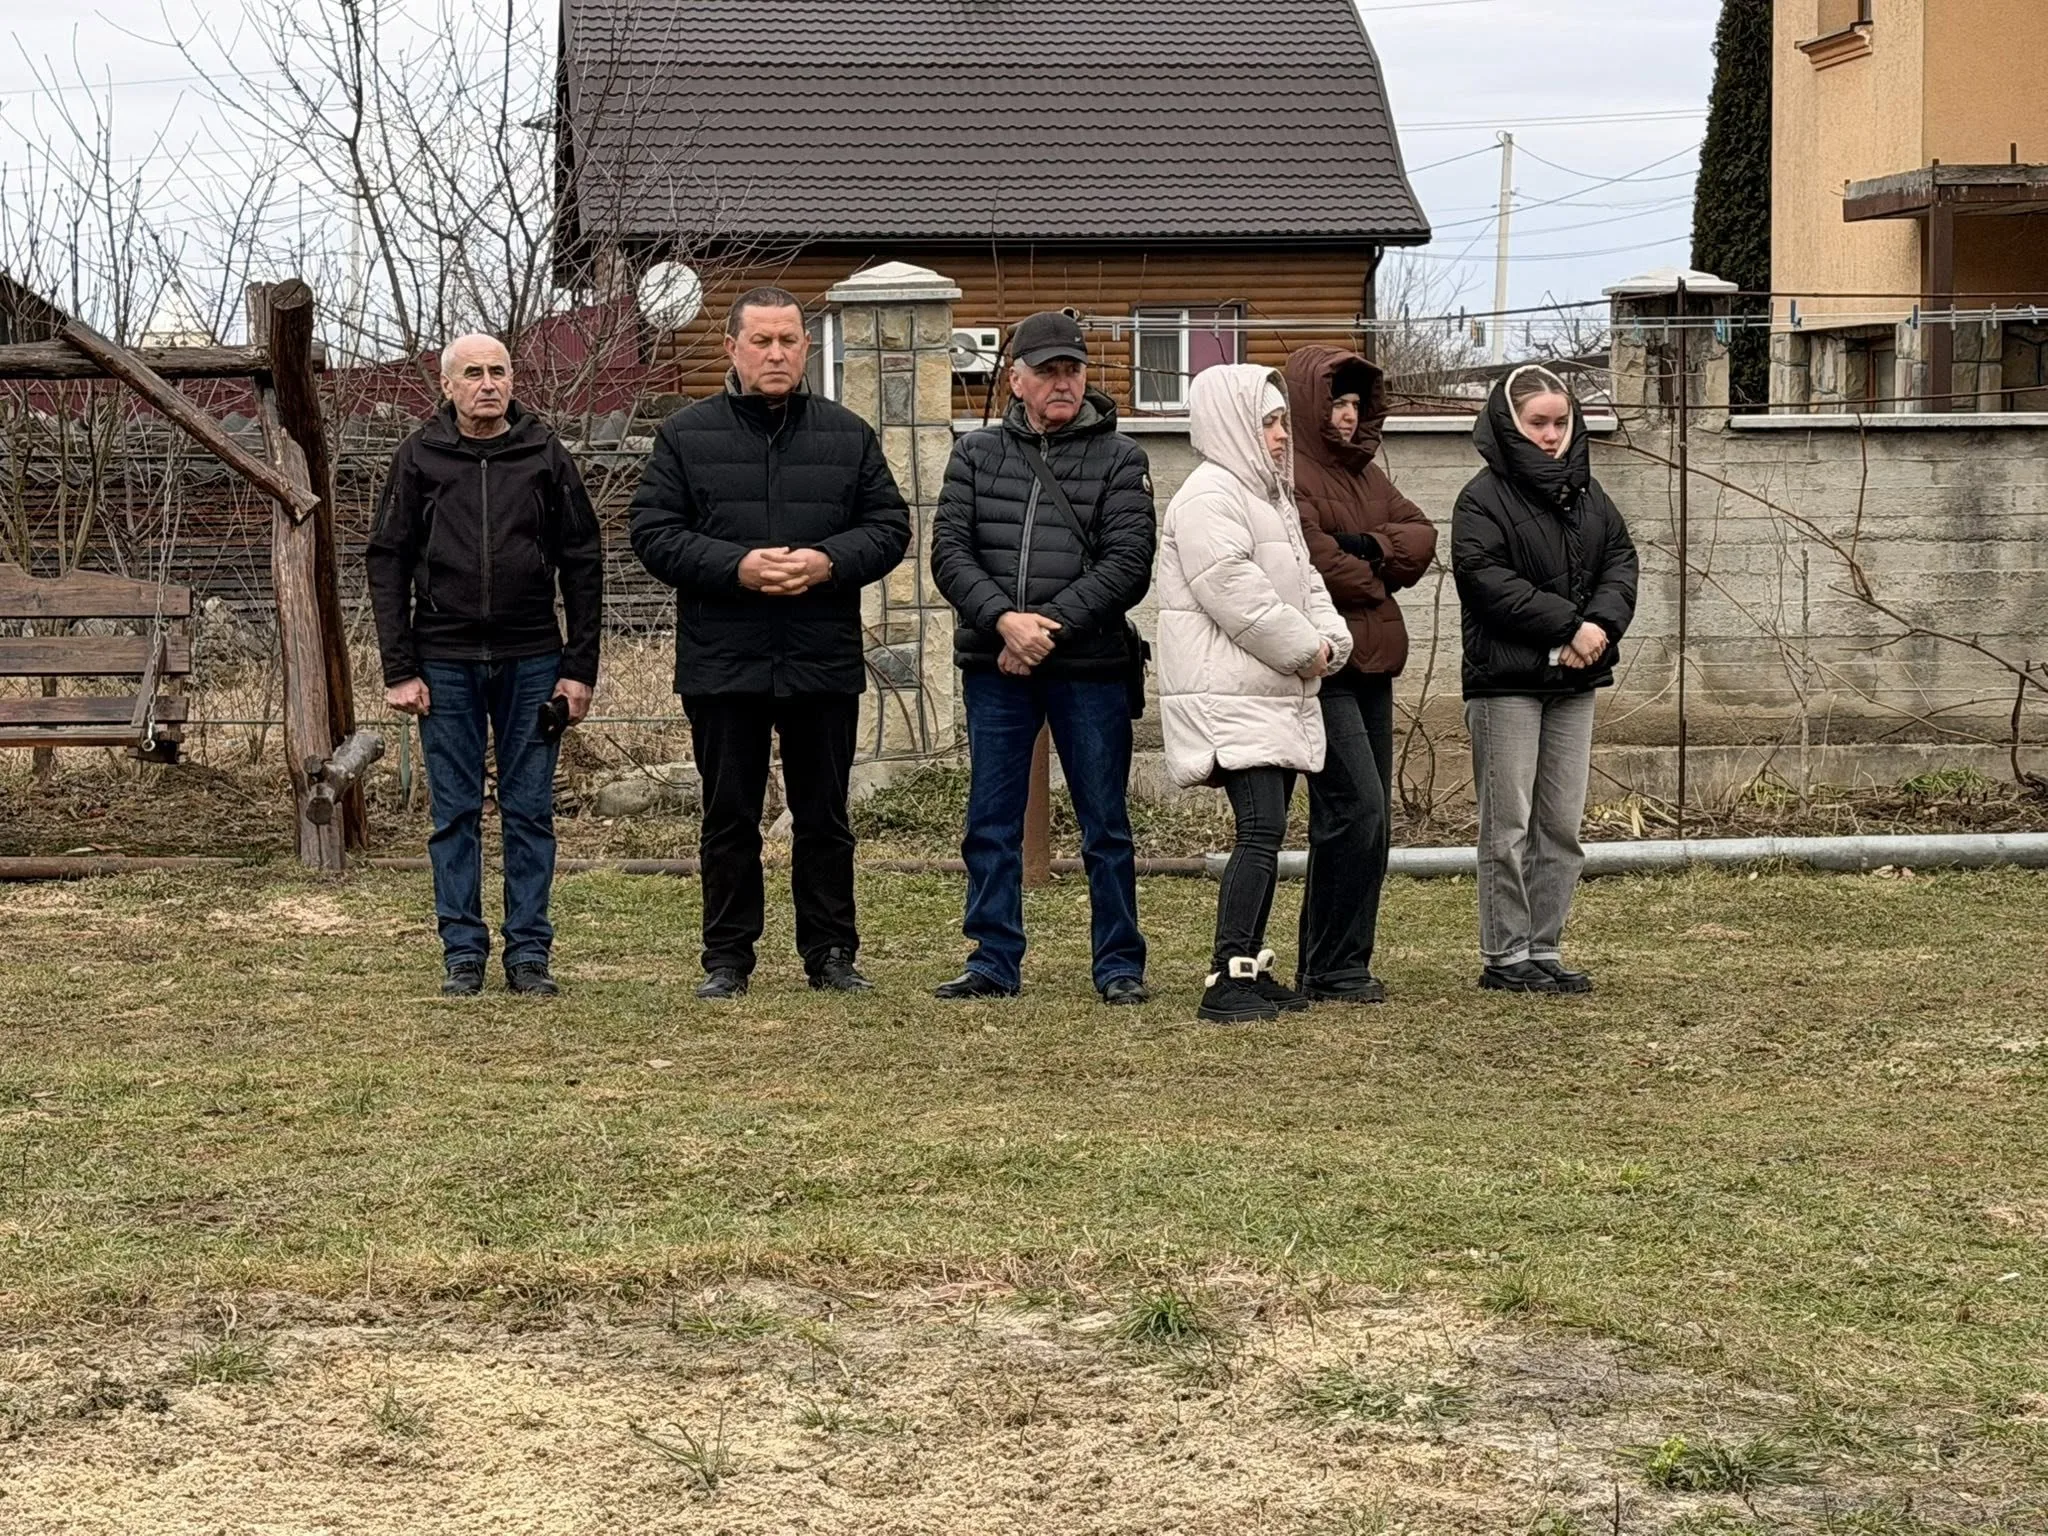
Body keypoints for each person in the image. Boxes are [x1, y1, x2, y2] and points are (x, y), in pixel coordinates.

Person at [630, 287, 910, 1000]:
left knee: (825, 817)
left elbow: (888, 528)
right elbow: (653, 533)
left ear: (807, 347)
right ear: (732, 348)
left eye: (789, 340)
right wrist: (737, 567)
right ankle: (727, 959)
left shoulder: (847, 435)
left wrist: (827, 562)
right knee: (729, 817)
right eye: (762, 341)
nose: (776, 353)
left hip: (821, 656)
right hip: (723, 659)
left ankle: (831, 954)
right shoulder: (686, 435)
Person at [927, 312, 1157, 1004]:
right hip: (994, 664)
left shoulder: (1123, 459)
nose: (1063, 383)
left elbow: (1128, 565)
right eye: (1048, 371)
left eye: (1073, 370)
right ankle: (993, 960)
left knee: (1105, 824)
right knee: (990, 820)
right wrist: (1004, 622)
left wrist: (1042, 632)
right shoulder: (975, 454)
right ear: (1016, 380)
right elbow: (950, 554)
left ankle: (1118, 964)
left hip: (1090, 668)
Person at [367, 333, 604, 998]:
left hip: (533, 658)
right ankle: (463, 953)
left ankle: (529, 953)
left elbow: (583, 562)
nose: (488, 383)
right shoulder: (419, 456)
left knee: (529, 812)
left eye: (498, 371)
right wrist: (399, 668)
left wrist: (579, 668)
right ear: (447, 386)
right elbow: (387, 560)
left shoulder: (544, 453)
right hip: (443, 660)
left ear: (512, 380)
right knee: (455, 814)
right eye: (472, 373)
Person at [1157, 365, 1352, 1024]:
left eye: (1281, 421)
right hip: (1230, 693)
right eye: (1268, 422)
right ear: (1232, 423)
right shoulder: (1208, 497)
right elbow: (1237, 594)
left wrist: (1332, 640)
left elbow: (1305, 581)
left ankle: (1249, 966)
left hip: (1270, 692)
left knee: (1267, 831)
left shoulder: (1269, 497)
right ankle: (1226, 978)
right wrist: (1307, 650)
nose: (1280, 434)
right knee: (1260, 828)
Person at [1452, 365, 1638, 995]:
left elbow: (1620, 561)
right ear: (1510, 423)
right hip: (1505, 683)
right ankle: (1505, 955)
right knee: (1507, 825)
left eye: (1561, 422)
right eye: (1538, 423)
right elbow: (1485, 580)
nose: (1552, 435)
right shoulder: (1480, 499)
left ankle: (1543, 948)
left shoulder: (1589, 495)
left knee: (1560, 824)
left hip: (1575, 681)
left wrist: (1600, 628)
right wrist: (1569, 627)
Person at [1286, 346, 1438, 1005]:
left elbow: (1423, 536)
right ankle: (1327, 966)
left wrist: (1368, 547)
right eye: (1336, 403)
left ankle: (1344, 961)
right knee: (1355, 808)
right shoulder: (1290, 473)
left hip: (1374, 665)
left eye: (1355, 404)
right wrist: (1379, 573)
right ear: (1309, 404)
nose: (1347, 416)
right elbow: (1313, 562)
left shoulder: (1369, 476)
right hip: (1324, 667)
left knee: (1371, 821)